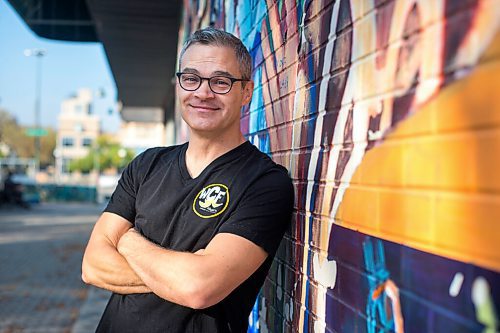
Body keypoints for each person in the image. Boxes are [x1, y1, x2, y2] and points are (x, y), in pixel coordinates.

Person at [82, 27, 294, 333]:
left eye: (220, 82)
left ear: (246, 92)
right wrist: (175, 277)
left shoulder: (265, 183)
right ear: (180, 85)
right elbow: (92, 266)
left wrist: (125, 239)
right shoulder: (146, 164)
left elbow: (198, 287)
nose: (203, 93)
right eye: (191, 78)